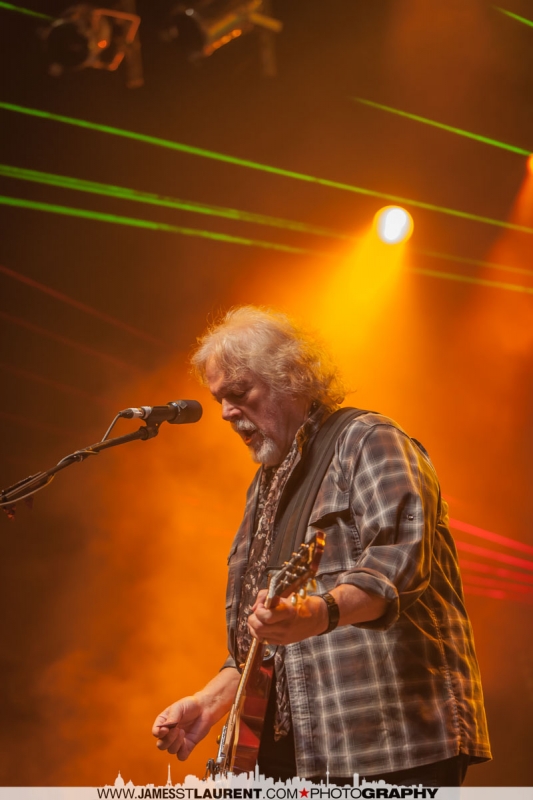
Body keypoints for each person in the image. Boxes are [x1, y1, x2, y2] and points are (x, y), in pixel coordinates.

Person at [152, 306, 491, 786]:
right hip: (299, 756)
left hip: (389, 746)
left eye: (240, 393)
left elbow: (396, 566)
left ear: (289, 378)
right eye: (220, 399)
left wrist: (319, 612)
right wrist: (209, 702)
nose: (226, 411)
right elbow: (267, 642)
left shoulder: (370, 441)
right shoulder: (264, 486)